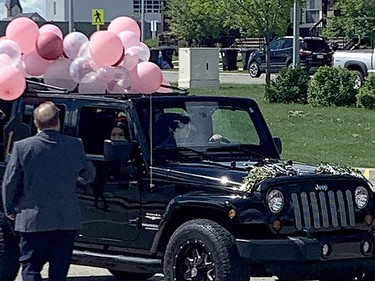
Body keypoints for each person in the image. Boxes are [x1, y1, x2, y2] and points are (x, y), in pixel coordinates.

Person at [2, 101, 96, 281]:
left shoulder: (22, 147)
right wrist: (76, 179)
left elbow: (10, 182)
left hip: (33, 219)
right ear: (58, 122)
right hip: (66, 219)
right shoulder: (75, 145)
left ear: (36, 123)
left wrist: (10, 209)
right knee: (59, 270)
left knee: (31, 268)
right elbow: (89, 173)